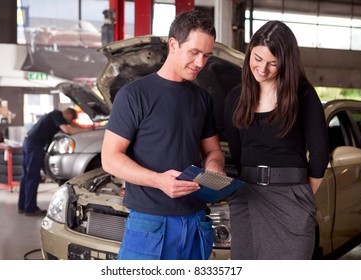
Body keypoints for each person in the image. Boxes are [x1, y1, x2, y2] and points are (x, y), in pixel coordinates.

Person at [101, 10, 224, 260]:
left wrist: (214, 168)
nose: (200, 63)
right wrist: (158, 180)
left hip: (196, 222)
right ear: (173, 45)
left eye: (206, 56)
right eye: (194, 52)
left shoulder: (202, 99)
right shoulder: (134, 95)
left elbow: (213, 150)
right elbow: (110, 158)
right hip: (150, 225)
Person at [224, 20, 329, 259]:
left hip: (292, 198)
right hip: (248, 197)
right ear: (250, 52)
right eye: (257, 58)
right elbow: (238, 154)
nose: (262, 68)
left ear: (286, 63)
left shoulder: (303, 94)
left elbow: (320, 155)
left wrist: (301, 196)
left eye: (273, 63)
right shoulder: (235, 98)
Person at [18, 108, 91, 216]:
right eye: (72, 119)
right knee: (32, 177)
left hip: (28, 143)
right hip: (35, 145)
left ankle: (22, 206)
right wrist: (86, 131)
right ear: (69, 114)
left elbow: (72, 127)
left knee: (26, 176)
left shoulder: (56, 117)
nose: (71, 121)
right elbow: (67, 129)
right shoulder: (57, 114)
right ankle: (30, 209)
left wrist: (88, 128)